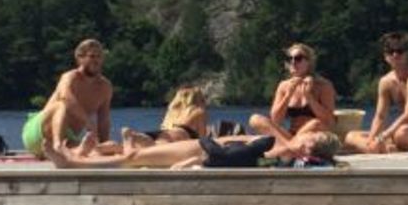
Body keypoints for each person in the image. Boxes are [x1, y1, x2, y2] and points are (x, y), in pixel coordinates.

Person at [42, 126, 342, 170]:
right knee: (136, 154)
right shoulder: (287, 148)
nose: (305, 133)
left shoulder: (285, 151)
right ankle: (82, 156)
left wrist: (205, 150)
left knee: (135, 157)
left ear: (310, 147)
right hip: (203, 149)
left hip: (203, 150)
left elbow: (236, 157)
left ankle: (74, 163)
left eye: (310, 136)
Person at [345, 32, 408, 154]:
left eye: (400, 51)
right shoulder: (385, 82)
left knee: (402, 133)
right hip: (399, 133)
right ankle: (376, 148)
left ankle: (382, 148)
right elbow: (380, 116)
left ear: (407, 54)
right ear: (385, 56)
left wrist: (383, 136)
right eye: (390, 51)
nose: (395, 55)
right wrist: (372, 139)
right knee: (350, 136)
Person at [23, 38, 114, 155]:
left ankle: (62, 149)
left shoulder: (105, 87)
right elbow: (66, 97)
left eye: (99, 56)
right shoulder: (70, 77)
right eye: (92, 56)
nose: (96, 60)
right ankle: (58, 146)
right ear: (80, 58)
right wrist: (88, 122)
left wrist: (103, 145)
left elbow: (103, 121)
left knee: (95, 150)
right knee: (61, 104)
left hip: (68, 138)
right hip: (38, 132)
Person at [250, 41, 336, 144]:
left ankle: (289, 147)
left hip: (314, 135)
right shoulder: (284, 86)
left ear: (309, 62)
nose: (293, 62)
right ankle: (292, 146)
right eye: (290, 59)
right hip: (291, 135)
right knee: (255, 119)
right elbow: (276, 120)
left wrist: (309, 96)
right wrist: (288, 95)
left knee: (316, 123)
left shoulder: (323, 85)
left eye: (298, 58)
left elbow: (329, 121)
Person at [122, 86, 210, 151]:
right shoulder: (199, 111)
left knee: (147, 147)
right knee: (157, 149)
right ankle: (132, 137)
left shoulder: (172, 111)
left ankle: (134, 137)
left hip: (164, 133)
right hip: (180, 134)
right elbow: (202, 139)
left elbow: (164, 127)